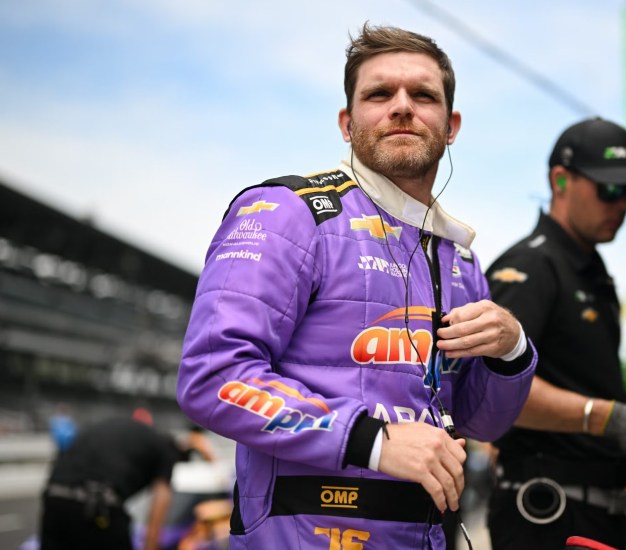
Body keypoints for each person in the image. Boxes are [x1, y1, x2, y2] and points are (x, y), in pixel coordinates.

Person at [176, 22, 536, 550]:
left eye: (423, 95)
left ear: (451, 124)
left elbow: (483, 424)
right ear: (347, 123)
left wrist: (513, 351)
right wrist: (371, 440)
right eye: (379, 93)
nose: (402, 106)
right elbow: (212, 375)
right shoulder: (287, 212)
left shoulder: (459, 257)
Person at [485, 117, 626, 549]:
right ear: (560, 180)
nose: (622, 205)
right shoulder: (532, 267)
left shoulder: (593, 273)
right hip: (548, 516)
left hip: (593, 515)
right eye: (609, 190)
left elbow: (584, 384)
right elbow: (491, 389)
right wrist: (610, 419)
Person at [39, 413, 215, 550]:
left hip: (53, 497)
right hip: (95, 508)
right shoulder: (166, 451)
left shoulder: (134, 433)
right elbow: (160, 502)